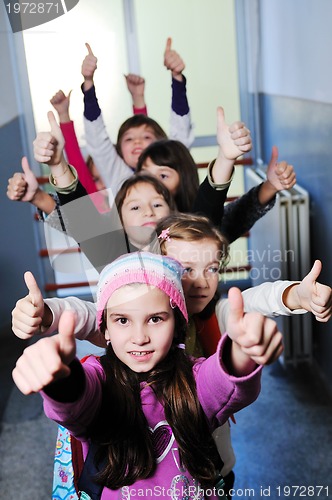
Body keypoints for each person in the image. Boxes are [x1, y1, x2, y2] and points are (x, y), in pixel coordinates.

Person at [12, 251, 283, 500]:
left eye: (155, 319)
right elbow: (76, 403)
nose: (140, 338)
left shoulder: (195, 377)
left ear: (177, 323)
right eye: (122, 320)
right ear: (104, 329)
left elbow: (224, 382)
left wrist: (243, 349)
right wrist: (62, 376)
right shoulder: (99, 377)